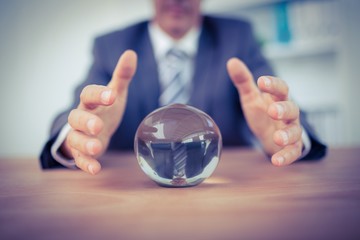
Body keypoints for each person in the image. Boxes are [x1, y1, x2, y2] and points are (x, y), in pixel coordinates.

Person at [40, 0, 326, 175]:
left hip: (225, 198)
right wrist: (74, 138)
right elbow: (75, 112)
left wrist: (285, 134)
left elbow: (285, 110)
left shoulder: (238, 36)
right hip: (131, 197)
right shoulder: (111, 45)